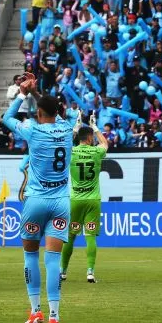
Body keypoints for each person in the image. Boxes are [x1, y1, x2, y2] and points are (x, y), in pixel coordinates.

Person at [2, 75, 74, 323]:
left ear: (38, 112)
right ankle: (54, 316)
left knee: (30, 254)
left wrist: (23, 93)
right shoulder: (67, 127)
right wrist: (36, 92)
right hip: (61, 202)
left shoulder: (32, 129)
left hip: (36, 202)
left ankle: (35, 311)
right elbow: (52, 108)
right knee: (53, 259)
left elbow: (6, 119)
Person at [61, 113, 108, 283]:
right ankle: (90, 272)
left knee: (70, 236)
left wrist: (75, 127)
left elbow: (65, 145)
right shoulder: (96, 152)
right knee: (90, 237)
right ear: (89, 138)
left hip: (75, 201)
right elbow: (105, 143)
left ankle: (63, 271)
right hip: (93, 201)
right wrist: (95, 127)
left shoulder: (71, 152)